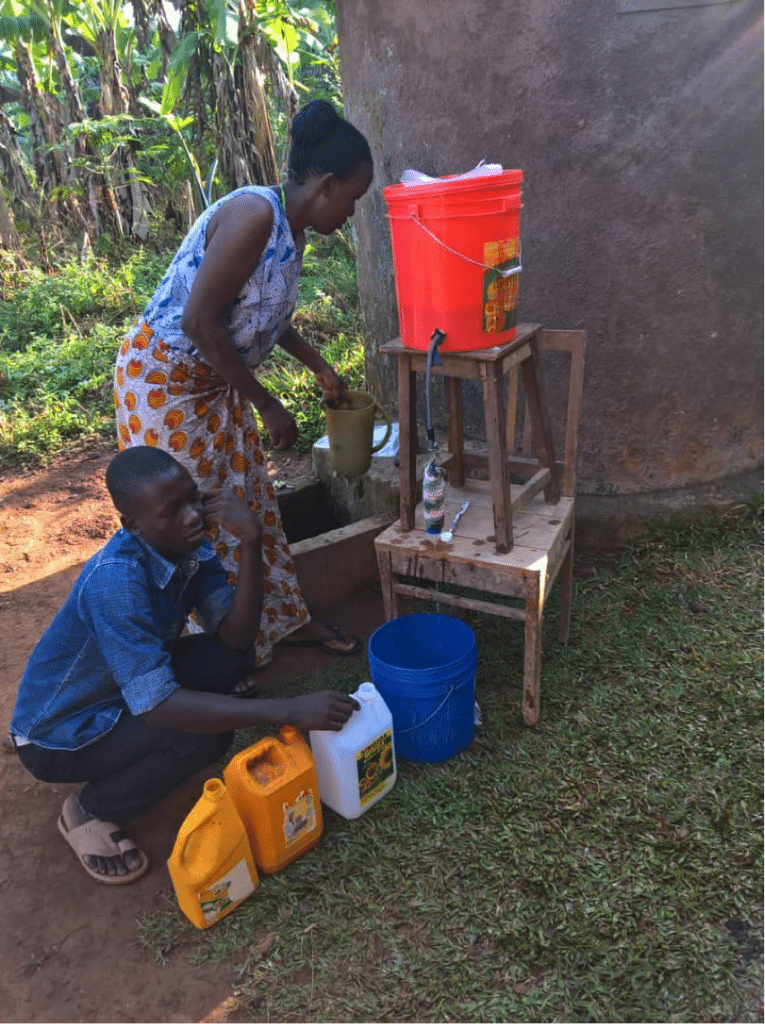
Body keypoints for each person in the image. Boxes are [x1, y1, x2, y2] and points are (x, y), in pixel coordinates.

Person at [8, 447, 359, 885]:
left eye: (194, 499)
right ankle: (90, 810)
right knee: (202, 740)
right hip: (60, 735)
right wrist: (287, 710)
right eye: (173, 510)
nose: (193, 516)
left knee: (230, 660)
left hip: (122, 691)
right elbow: (159, 709)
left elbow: (236, 637)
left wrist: (252, 542)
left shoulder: (187, 543)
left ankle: (155, 740)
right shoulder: (117, 582)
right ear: (132, 526)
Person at [114, 99, 374, 685]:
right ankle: (215, 658)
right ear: (328, 185)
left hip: (212, 384)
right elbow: (200, 322)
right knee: (190, 515)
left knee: (251, 506)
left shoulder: (292, 230)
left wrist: (319, 367)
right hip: (166, 386)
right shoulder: (254, 214)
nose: (353, 212)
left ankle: (280, 621)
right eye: (354, 198)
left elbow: (266, 315)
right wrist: (267, 402)